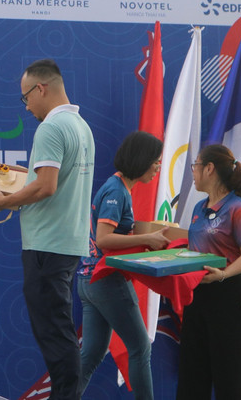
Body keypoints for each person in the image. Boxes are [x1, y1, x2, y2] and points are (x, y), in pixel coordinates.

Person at [0, 59, 95, 400]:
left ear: (40, 89)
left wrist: (1, 202)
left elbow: (45, 186)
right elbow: (43, 179)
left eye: (26, 97)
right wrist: (12, 179)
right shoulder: (80, 126)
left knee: (55, 334)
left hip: (48, 245)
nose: (26, 106)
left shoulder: (51, 128)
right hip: (66, 243)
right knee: (58, 331)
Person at [76, 131, 169, 400]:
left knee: (91, 354)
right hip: (105, 280)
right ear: (141, 160)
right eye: (155, 162)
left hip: (89, 281)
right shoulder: (117, 190)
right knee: (140, 348)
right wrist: (148, 238)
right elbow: (105, 238)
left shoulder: (117, 188)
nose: (158, 168)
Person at [176, 144, 241, 399]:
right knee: (193, 372)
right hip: (197, 294)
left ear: (209, 169)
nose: (194, 172)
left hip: (229, 296)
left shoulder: (239, 209)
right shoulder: (199, 208)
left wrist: (222, 274)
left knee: (230, 375)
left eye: (196, 166)